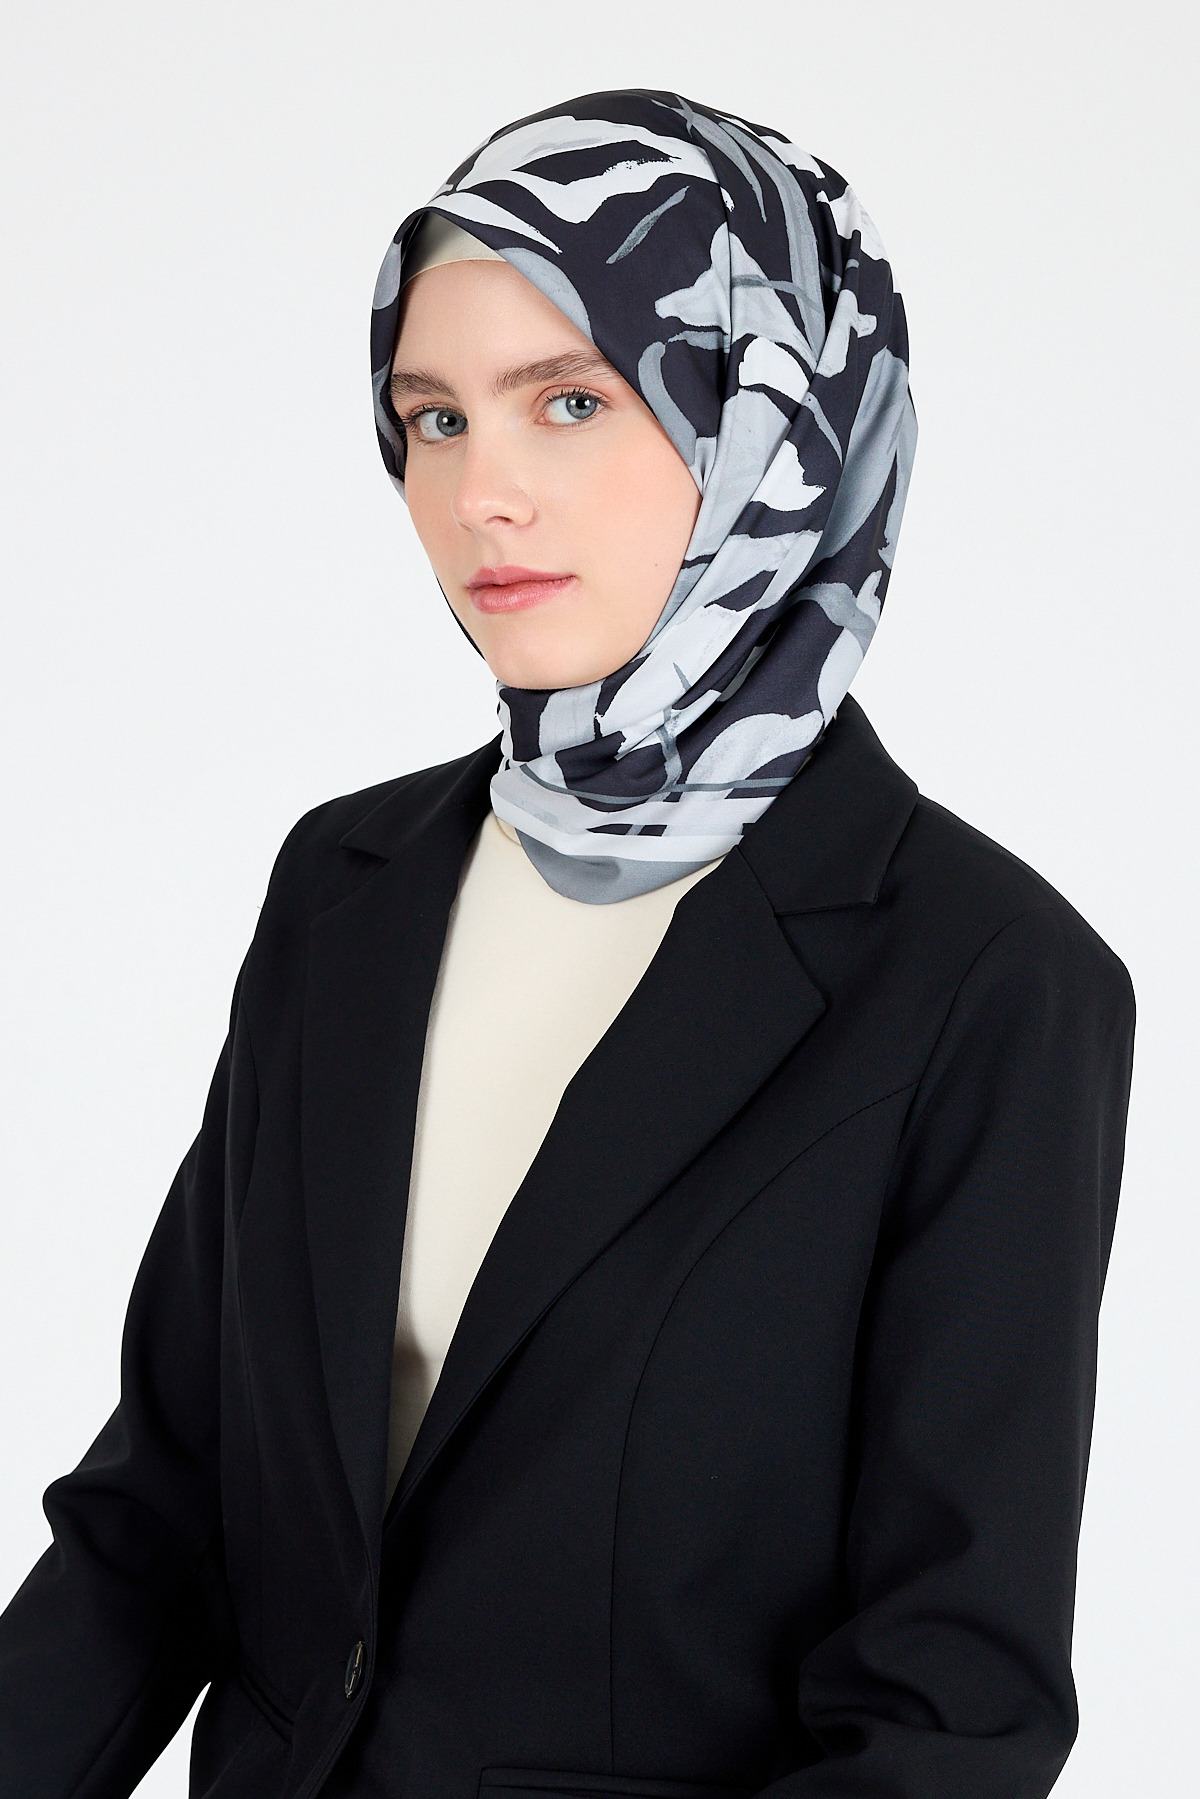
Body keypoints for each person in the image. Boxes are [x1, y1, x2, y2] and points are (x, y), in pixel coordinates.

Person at [0, 89, 1134, 1799]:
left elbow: (947, 1711)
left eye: (573, 402)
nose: (481, 494)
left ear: (774, 420)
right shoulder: (346, 888)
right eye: (434, 417)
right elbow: (165, 1507)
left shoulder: (988, 981)